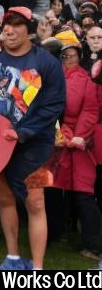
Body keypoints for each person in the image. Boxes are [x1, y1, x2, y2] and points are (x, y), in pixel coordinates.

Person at [0, 7, 65, 270]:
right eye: (7, 25)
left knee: (35, 201)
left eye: (17, 25)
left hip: (36, 146)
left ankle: (37, 267)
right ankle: (13, 258)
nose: (10, 30)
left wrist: (22, 132)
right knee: (5, 198)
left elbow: (55, 105)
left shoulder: (47, 63)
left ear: (29, 30)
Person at [51, 30, 102, 261]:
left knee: (83, 192)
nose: (69, 59)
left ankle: (93, 244)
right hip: (55, 141)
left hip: (79, 144)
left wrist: (78, 136)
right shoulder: (51, 76)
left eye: (72, 55)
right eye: (64, 55)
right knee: (50, 188)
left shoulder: (86, 80)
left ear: (78, 54)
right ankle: (54, 234)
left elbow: (90, 110)